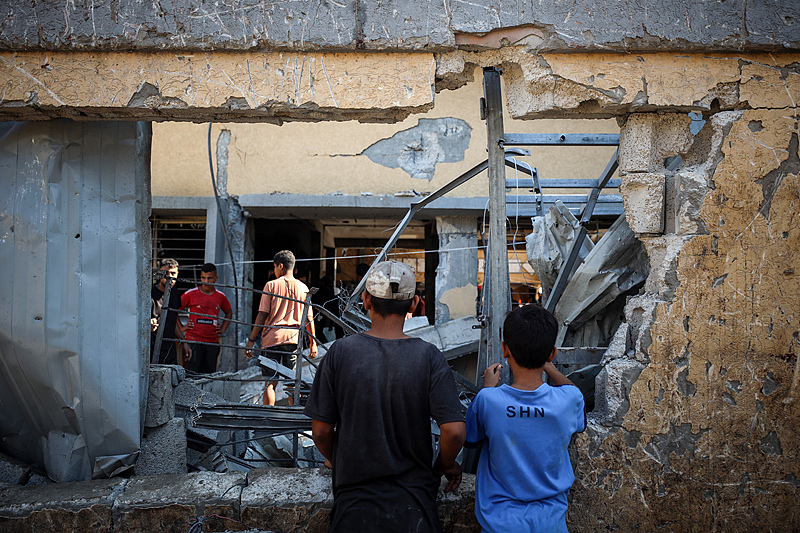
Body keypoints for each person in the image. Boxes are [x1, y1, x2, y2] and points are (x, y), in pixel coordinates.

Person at [304, 260, 466, 533]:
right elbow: (454, 432)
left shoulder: (340, 353)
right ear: (413, 305)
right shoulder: (428, 357)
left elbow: (320, 432)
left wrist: (337, 458)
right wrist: (443, 466)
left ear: (366, 300)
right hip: (415, 509)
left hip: (353, 509)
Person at [465, 304, 586, 533]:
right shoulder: (567, 400)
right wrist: (549, 367)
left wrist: (488, 389)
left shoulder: (488, 400)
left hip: (498, 523)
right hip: (551, 523)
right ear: (552, 353)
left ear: (504, 349)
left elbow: (471, 438)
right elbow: (575, 394)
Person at [244, 250, 317, 405]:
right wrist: (313, 343)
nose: (275, 270)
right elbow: (309, 319)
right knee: (292, 382)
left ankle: (268, 417)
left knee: (270, 382)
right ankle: (292, 416)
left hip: (272, 339)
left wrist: (251, 340)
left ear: (281, 266)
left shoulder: (271, 285)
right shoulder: (303, 288)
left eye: (275, 267)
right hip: (293, 339)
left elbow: (262, 315)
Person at [180, 263, 232, 373]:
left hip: (212, 343)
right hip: (192, 343)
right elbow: (174, 310)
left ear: (216, 278)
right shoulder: (191, 294)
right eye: (203, 278)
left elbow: (229, 313)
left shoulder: (221, 296)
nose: (206, 281)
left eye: (210, 278)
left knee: (209, 377)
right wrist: (182, 328)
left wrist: (222, 329)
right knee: (190, 376)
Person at [151, 258, 191, 365]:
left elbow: (173, 322)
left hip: (169, 347)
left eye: (173, 273)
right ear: (159, 274)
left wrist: (184, 342)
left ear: (177, 274)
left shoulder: (175, 294)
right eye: (166, 273)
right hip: (151, 346)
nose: (169, 277)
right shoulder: (150, 293)